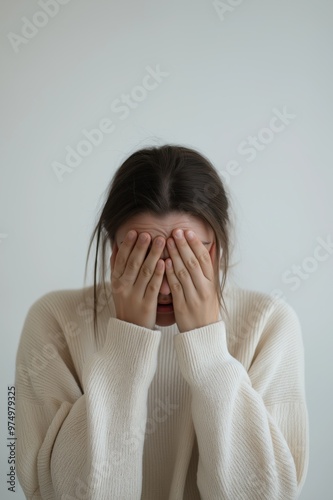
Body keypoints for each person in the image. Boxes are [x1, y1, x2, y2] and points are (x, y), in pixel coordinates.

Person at [15, 144, 309, 499]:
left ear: (213, 248)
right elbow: (54, 493)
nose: (166, 284)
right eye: (145, 256)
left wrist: (208, 349)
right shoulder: (55, 322)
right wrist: (127, 342)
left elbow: (266, 495)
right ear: (114, 249)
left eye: (185, 255)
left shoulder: (268, 324)